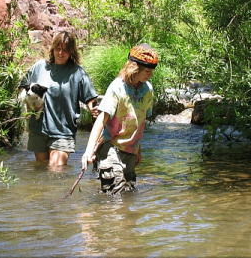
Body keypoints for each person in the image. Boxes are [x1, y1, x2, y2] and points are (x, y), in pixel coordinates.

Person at [81, 43, 158, 195]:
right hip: (111, 145)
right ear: (134, 68)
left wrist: (137, 148)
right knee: (114, 191)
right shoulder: (117, 88)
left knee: (128, 192)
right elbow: (101, 119)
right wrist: (89, 150)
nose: (151, 75)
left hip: (130, 148)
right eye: (147, 71)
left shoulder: (147, 90)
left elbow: (140, 121)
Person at [18, 31, 98, 168]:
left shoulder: (77, 72)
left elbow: (90, 97)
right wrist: (29, 105)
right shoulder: (39, 67)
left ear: (72, 52)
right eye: (58, 49)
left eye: (65, 50)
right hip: (39, 129)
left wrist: (93, 108)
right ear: (53, 48)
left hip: (63, 131)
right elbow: (22, 87)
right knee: (41, 170)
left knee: (56, 168)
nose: (61, 53)